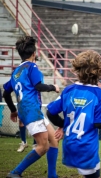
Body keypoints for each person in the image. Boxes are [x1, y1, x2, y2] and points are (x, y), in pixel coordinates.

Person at [46, 50, 101, 178]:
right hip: (86, 147)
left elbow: (50, 112)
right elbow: (99, 123)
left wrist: (65, 124)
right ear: (98, 71)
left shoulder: (68, 90)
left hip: (69, 146)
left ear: (78, 69)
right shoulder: (100, 94)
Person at [3, 36, 60, 178]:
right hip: (31, 110)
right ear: (34, 53)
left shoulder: (16, 71)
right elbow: (38, 86)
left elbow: (6, 93)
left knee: (53, 139)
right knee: (43, 146)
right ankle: (15, 172)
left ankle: (52, 175)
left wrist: (13, 110)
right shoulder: (32, 66)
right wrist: (54, 87)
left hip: (27, 109)